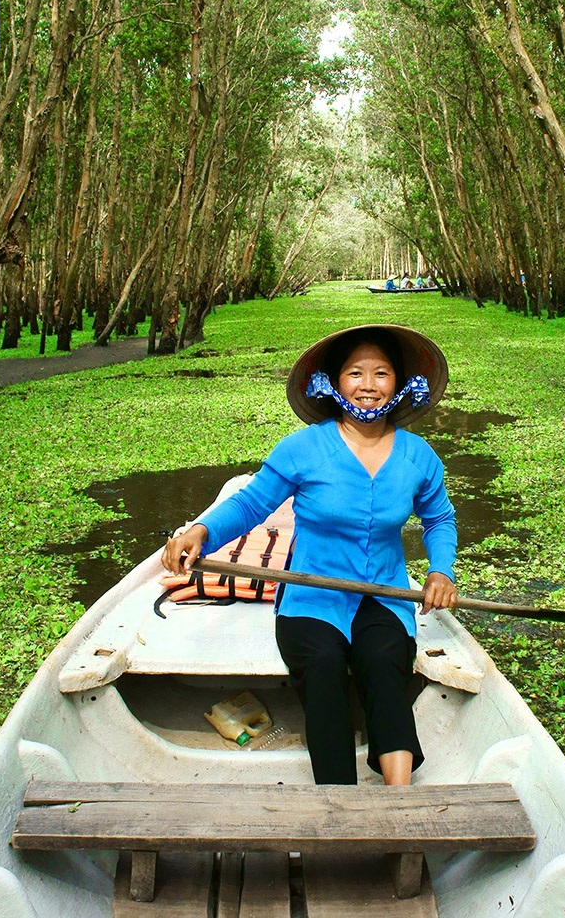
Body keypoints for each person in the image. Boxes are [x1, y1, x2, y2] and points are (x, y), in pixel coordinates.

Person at [162, 325, 458, 785]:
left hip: (383, 593)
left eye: (381, 374)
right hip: (310, 595)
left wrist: (440, 572)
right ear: (335, 383)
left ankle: (400, 796)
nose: (368, 385)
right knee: (322, 668)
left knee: (384, 661)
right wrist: (199, 531)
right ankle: (336, 796)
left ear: (398, 386)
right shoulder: (305, 448)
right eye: (355, 373)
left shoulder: (418, 457)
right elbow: (249, 505)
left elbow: (440, 519)